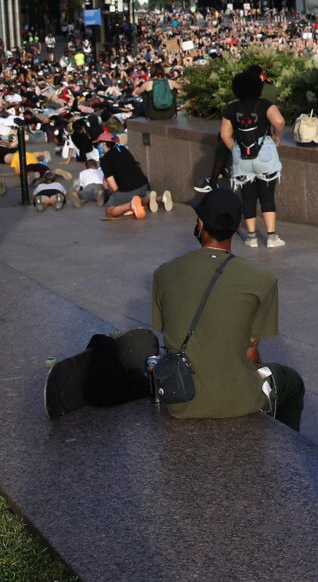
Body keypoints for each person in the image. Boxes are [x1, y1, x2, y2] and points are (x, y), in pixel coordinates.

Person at [43, 187, 304, 430]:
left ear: (200, 224)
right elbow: (250, 356)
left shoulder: (164, 274)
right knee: (292, 383)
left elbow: (170, 334)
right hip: (237, 400)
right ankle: (280, 450)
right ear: (237, 227)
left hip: (179, 400)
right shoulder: (262, 280)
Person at [220, 67, 286, 248]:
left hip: (242, 158)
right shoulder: (265, 105)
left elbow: (225, 134)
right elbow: (279, 121)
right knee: (267, 196)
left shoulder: (231, 108)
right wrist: (275, 135)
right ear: (258, 87)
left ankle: (251, 237)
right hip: (265, 153)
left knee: (248, 197)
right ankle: (271, 237)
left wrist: (235, 148)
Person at [98, 139, 168, 220]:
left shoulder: (104, 160)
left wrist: (110, 190)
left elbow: (114, 188)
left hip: (127, 190)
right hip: (143, 184)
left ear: (104, 144)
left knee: (109, 211)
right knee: (139, 199)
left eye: (98, 144)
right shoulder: (123, 149)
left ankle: (131, 205)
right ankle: (161, 198)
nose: (97, 147)